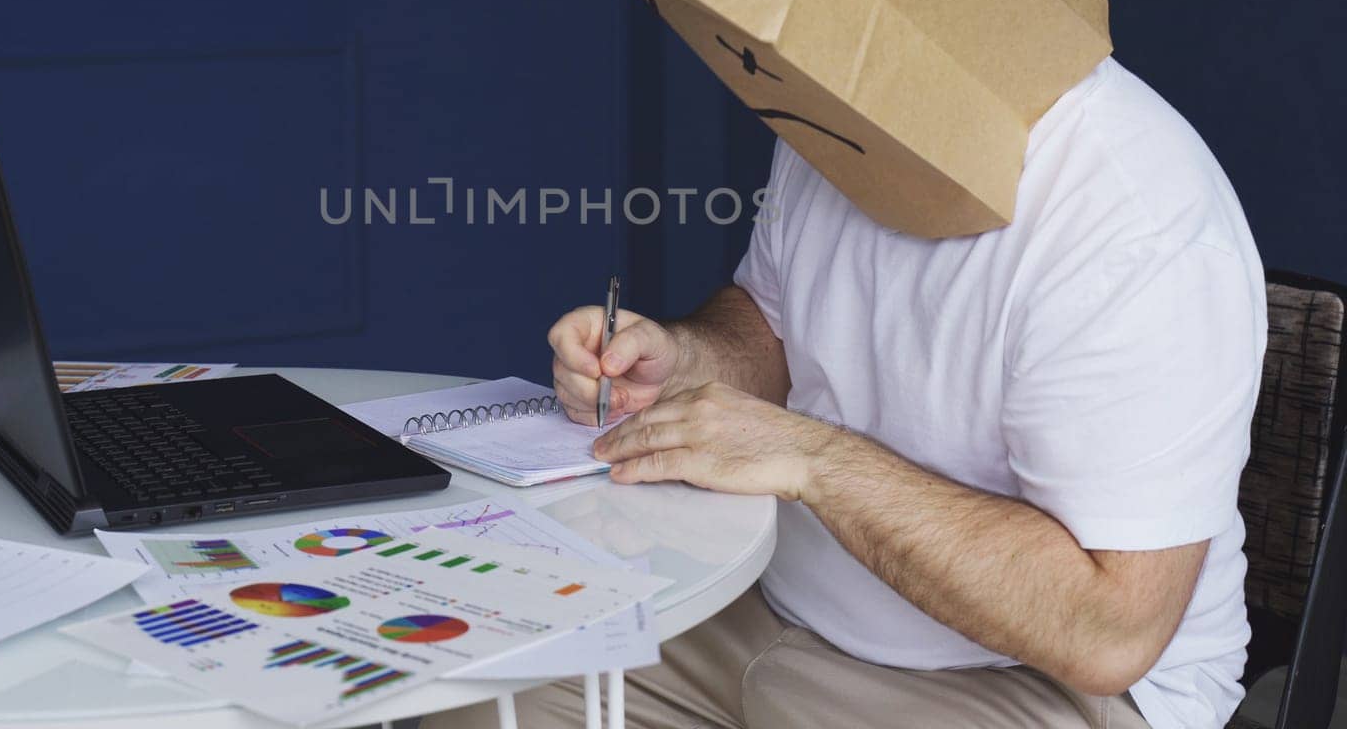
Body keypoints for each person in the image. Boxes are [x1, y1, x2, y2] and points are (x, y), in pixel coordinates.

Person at [425, 56, 1264, 729]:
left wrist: (811, 458)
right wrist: (682, 359)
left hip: (1029, 685)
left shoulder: (1137, 226)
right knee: (475, 704)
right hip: (760, 609)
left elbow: (1108, 629)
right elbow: (775, 326)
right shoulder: (835, 101)